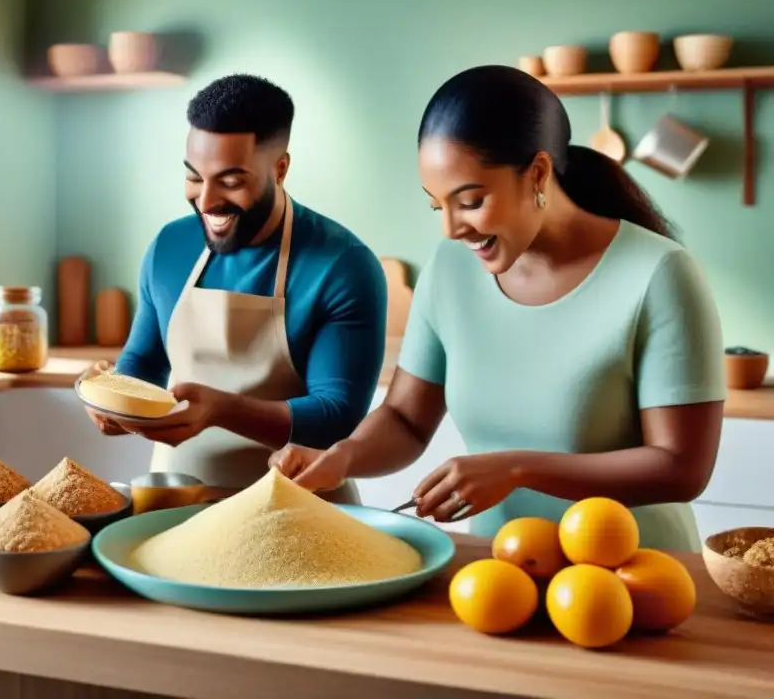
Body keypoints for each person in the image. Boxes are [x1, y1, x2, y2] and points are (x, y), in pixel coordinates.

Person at [270, 64, 725, 552]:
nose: (450, 229)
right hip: (499, 574)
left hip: (634, 581)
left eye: (470, 201)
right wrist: (343, 456)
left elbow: (681, 467)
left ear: (538, 174)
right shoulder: (450, 268)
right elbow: (405, 418)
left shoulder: (659, 274)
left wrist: (516, 469)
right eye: (436, 205)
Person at [87, 73, 388, 501]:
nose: (206, 201)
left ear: (280, 169)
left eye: (230, 182)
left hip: (304, 512)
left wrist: (221, 410)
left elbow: (337, 414)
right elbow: (144, 359)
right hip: (177, 503)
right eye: (194, 177)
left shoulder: (341, 264)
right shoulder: (169, 248)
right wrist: (116, 402)